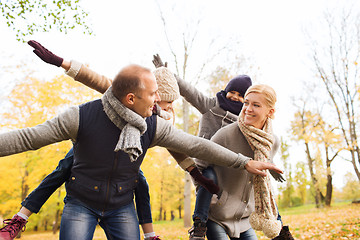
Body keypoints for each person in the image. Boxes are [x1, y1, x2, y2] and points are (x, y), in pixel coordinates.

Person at [0, 54, 282, 239]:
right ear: (132, 98)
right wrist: (65, 63)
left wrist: (242, 162)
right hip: (82, 197)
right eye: (154, 95)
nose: (159, 101)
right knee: (65, 165)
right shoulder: (83, 115)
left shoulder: (154, 124)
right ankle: (22, 216)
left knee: (140, 183)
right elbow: (27, 138)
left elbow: (195, 144)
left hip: (120, 203)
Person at [152, 55, 292, 240]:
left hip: (236, 183)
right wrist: (168, 74)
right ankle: (199, 223)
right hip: (207, 163)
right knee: (208, 176)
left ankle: (278, 228)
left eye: (240, 96)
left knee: (264, 183)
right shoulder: (213, 108)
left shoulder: (257, 132)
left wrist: (271, 167)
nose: (234, 97)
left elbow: (262, 162)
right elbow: (189, 91)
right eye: (230, 92)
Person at [194, 84, 293, 240]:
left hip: (244, 220)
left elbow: (263, 179)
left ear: (270, 112)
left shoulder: (272, 141)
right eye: (246, 102)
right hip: (217, 216)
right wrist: (211, 197)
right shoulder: (225, 135)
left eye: (256, 105)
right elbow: (199, 165)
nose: (247, 108)